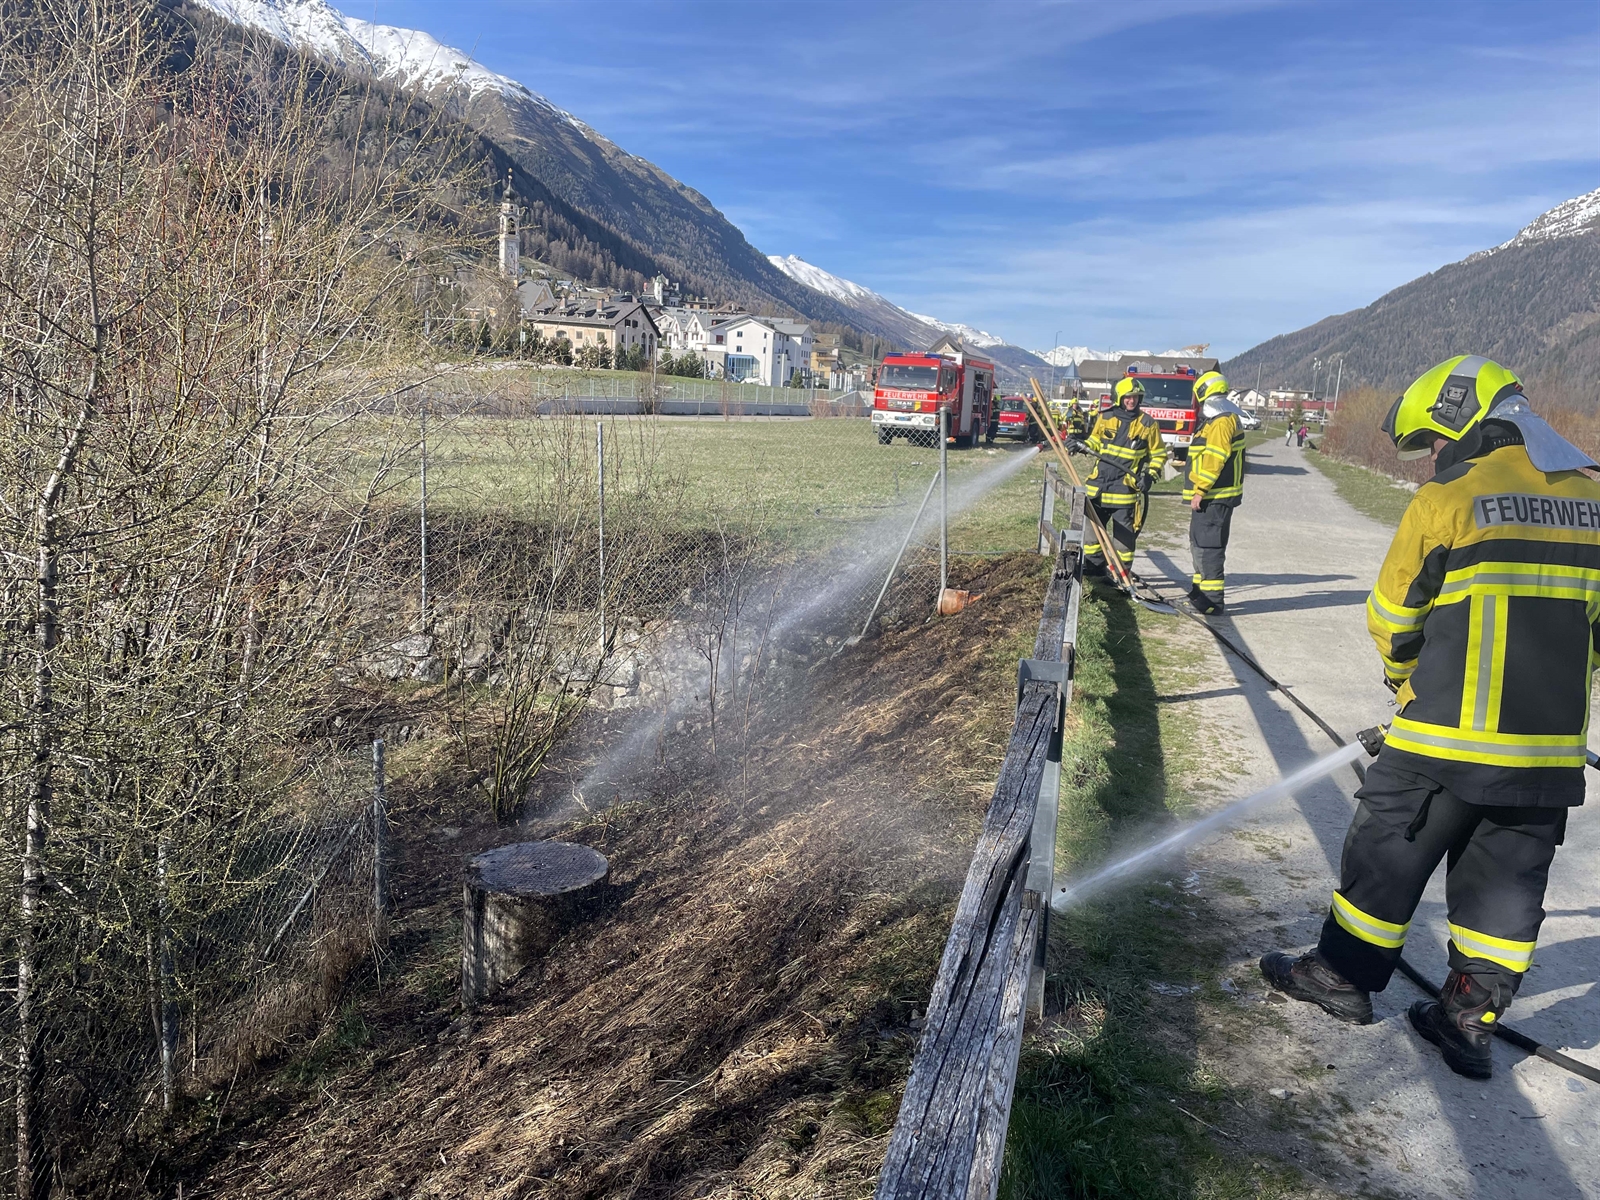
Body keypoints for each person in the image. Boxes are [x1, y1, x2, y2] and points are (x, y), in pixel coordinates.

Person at [1260, 355, 1600, 1080]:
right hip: (1546, 753)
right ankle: (1468, 1021)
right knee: (1506, 883)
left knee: (1386, 848)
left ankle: (1340, 977)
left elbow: (1393, 614)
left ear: (1462, 420)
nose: (1436, 454)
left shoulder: (1453, 495)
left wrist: (1404, 680)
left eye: (1437, 440)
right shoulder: (1593, 500)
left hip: (1444, 738)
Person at [1069, 376, 1167, 580]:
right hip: (1098, 488)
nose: (1132, 401)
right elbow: (1095, 442)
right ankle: (1095, 571)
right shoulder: (1106, 417)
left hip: (1125, 491)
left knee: (1123, 543)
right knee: (1091, 535)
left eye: (1136, 397)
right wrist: (1080, 444)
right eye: (1128, 397)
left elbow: (1159, 454)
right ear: (1119, 398)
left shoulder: (1147, 424)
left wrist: (1149, 475)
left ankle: (1121, 576)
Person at [1183, 371, 1246, 614]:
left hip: (1214, 497)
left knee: (1209, 549)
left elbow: (1214, 459)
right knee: (1199, 545)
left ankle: (1211, 603)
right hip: (1212, 497)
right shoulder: (1218, 419)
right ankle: (1199, 595)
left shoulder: (1221, 421)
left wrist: (1200, 490)